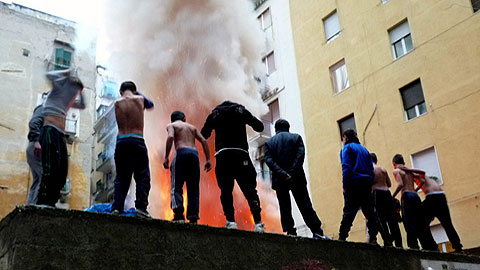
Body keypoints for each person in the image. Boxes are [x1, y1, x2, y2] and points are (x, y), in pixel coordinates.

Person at [201, 101, 266, 232]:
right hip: (241, 155)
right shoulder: (241, 111)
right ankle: (258, 223)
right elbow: (259, 127)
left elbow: (204, 134)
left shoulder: (215, 114)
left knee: (225, 190)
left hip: (223, 156)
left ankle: (231, 221)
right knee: (250, 191)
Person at [264, 119, 327, 239]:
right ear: (288, 128)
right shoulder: (296, 138)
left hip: (279, 180)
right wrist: (292, 173)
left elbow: (269, 161)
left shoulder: (269, 143)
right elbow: (300, 156)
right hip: (297, 178)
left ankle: (290, 231)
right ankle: (317, 231)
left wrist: (283, 174)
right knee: (305, 204)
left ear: (275, 129)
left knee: (284, 206)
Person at [36, 69, 85, 207]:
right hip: (49, 131)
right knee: (50, 168)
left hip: (60, 135)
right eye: (75, 91)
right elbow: (48, 74)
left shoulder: (68, 99)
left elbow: (83, 105)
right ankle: (43, 202)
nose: (75, 94)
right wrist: (66, 73)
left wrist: (81, 91)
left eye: (77, 92)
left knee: (62, 170)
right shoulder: (58, 91)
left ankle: (52, 201)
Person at [111, 81, 154, 218]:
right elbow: (150, 105)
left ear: (120, 91)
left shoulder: (117, 103)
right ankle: (141, 208)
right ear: (134, 90)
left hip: (122, 141)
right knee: (142, 176)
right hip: (137, 140)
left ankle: (117, 208)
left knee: (122, 177)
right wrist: (136, 93)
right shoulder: (140, 99)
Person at [163, 111, 212, 224]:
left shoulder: (172, 125)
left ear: (172, 119)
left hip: (181, 153)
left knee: (176, 186)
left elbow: (170, 137)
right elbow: (203, 140)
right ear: (184, 119)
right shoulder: (192, 127)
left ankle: (179, 215)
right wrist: (208, 159)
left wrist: (166, 157)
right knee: (193, 188)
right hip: (194, 155)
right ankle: (193, 217)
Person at [401, 166, 463, 252]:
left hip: (432, 197)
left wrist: (408, 170)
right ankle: (458, 246)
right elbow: (422, 181)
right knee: (447, 223)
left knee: (420, 222)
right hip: (441, 195)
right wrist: (416, 189)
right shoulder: (429, 180)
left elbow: (422, 172)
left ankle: (429, 246)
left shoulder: (415, 173)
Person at [338, 129, 378, 244]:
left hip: (354, 183)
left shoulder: (347, 148)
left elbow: (346, 167)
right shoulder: (364, 150)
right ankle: (373, 238)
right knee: (370, 212)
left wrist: (345, 185)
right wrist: (370, 183)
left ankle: (342, 237)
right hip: (366, 183)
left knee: (349, 211)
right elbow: (371, 169)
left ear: (345, 137)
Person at [391, 154, 438, 251]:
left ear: (394, 163)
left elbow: (400, 184)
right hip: (415, 196)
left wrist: (393, 196)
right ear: (403, 162)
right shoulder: (410, 172)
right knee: (420, 221)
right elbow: (421, 180)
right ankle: (429, 246)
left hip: (407, 196)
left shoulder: (396, 171)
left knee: (409, 221)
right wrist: (416, 190)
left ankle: (414, 246)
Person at [370, 153, 402, 247]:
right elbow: (389, 184)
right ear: (376, 160)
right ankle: (398, 243)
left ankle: (388, 242)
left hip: (377, 193)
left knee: (380, 219)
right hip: (387, 193)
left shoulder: (370, 169)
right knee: (392, 219)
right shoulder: (383, 169)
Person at [25, 93, 47, 205]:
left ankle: (30, 207)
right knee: (43, 177)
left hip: (34, 147)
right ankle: (36, 208)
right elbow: (33, 123)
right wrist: (37, 140)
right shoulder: (43, 109)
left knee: (37, 180)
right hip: (36, 146)